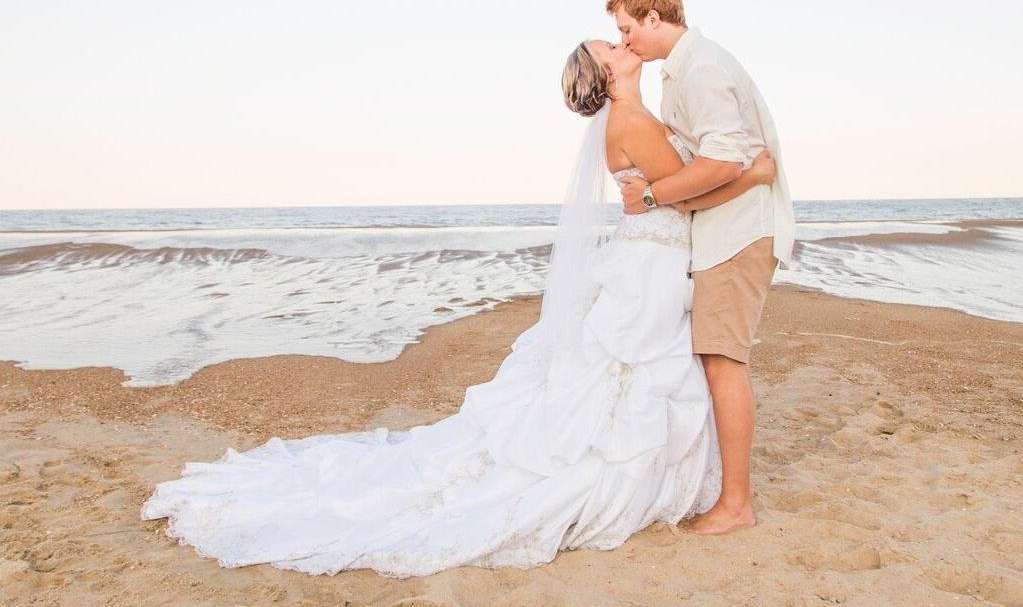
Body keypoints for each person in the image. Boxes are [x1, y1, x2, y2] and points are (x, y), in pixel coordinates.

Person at [138, 34, 777, 577]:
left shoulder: (640, 119)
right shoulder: (633, 121)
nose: (622, 42)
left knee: (629, 372)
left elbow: (665, 189)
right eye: (610, 43)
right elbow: (684, 196)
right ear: (609, 73)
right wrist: (752, 175)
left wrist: (684, 184)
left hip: (653, 256)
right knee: (627, 371)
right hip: (652, 260)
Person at [607, 0, 795, 535]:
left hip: (737, 233)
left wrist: (650, 195)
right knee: (714, 361)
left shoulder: (703, 69)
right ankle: (727, 496)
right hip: (719, 232)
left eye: (626, 28)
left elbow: (723, 163)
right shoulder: (682, 72)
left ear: (653, 19)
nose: (624, 40)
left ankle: (736, 506)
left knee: (722, 362)